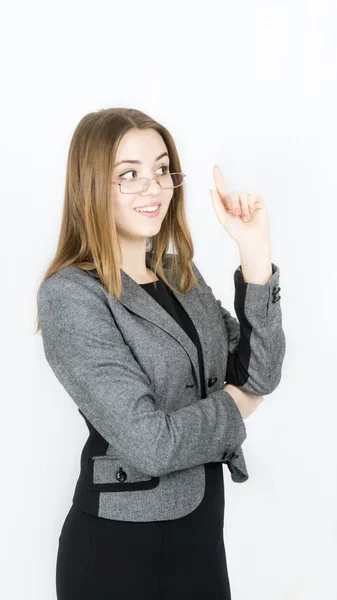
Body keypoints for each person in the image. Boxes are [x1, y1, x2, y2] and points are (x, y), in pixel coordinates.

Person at [35, 107, 286, 599]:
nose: (153, 187)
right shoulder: (70, 296)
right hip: (119, 550)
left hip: (201, 537)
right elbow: (152, 443)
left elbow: (261, 371)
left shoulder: (179, 274)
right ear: (91, 186)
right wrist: (237, 405)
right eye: (128, 174)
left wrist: (254, 254)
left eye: (161, 169)